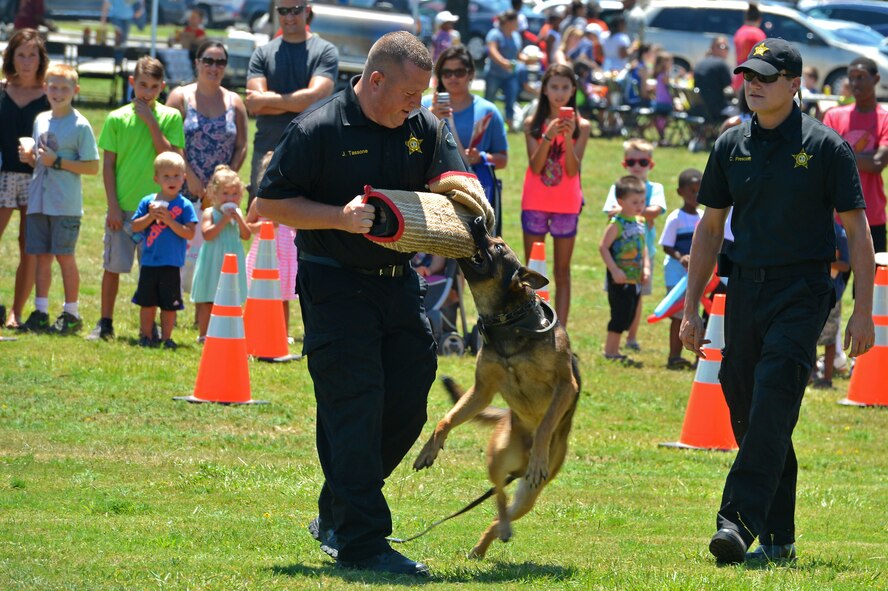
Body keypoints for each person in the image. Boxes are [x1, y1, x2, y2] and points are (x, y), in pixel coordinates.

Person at [255, 31, 468, 576]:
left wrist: (464, 204)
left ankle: (338, 509)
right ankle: (362, 541)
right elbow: (268, 203)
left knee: (409, 396)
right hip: (334, 284)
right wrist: (338, 217)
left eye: (421, 95)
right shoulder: (318, 127)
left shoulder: (422, 126)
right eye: (409, 94)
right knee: (356, 402)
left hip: (397, 281)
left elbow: (456, 180)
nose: (415, 105)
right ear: (375, 81)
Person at [679, 38, 875, 566]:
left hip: (803, 291)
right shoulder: (729, 145)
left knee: (772, 398)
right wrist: (692, 306)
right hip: (743, 288)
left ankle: (736, 523)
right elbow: (711, 227)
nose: (753, 84)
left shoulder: (826, 146)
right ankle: (780, 535)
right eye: (749, 75)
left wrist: (861, 308)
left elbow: (858, 232)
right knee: (747, 401)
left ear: (795, 85)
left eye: (766, 76)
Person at [90, 57, 185, 341]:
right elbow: (108, 165)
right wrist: (113, 207)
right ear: (132, 83)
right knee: (113, 266)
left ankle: (151, 326)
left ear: (162, 87)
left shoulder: (170, 117)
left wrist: (151, 123)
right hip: (124, 206)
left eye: (154, 87)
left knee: (154, 269)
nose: (147, 92)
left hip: (159, 210)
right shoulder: (116, 118)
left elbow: (173, 159)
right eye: (142, 85)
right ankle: (105, 322)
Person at [16, 64, 99, 335]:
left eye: (65, 88)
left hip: (65, 204)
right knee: (41, 257)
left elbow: (91, 166)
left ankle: (71, 313)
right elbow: (42, 161)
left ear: (75, 90)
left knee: (64, 257)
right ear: (45, 89)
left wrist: (59, 161)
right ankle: (40, 311)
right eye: (53, 87)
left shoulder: (80, 125)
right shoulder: (41, 119)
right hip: (39, 200)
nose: (58, 92)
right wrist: (31, 158)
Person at [166, 41, 249, 297]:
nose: (214, 67)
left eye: (220, 62)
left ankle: (204, 304)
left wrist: (224, 183)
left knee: (213, 249)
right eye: (208, 61)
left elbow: (242, 145)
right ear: (197, 63)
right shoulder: (180, 97)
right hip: (184, 185)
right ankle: (173, 302)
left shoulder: (235, 101)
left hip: (219, 194)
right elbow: (171, 141)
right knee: (180, 248)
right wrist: (189, 176)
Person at [245, 0, 338, 205]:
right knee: (262, 222)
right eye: (283, 11)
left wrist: (268, 99)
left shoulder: (325, 51)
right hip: (267, 149)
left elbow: (317, 99)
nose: (289, 17)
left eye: (295, 10)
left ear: (307, 11)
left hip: (310, 150)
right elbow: (254, 105)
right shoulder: (262, 53)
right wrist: (300, 102)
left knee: (304, 222)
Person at [521, 64, 591, 327]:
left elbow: (573, 169)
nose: (559, 93)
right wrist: (548, 136)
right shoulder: (532, 124)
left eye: (565, 87)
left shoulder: (583, 126)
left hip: (566, 204)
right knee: (533, 270)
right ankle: (532, 321)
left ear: (573, 89)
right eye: (554, 87)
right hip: (535, 202)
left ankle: (559, 327)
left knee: (562, 271)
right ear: (545, 90)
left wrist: (569, 136)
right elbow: (536, 166)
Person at [423, 46, 508, 220]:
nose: (453, 77)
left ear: (470, 74)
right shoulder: (424, 106)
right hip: (433, 190)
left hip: (475, 190)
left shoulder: (488, 111)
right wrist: (430, 116)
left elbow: (503, 159)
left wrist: (482, 157)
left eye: (459, 72)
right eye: (447, 72)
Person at [1, 29, 49, 329]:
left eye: (33, 54)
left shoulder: (51, 94)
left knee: (27, 245)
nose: (27, 61)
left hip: (37, 179)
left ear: (41, 58)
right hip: (3, 176)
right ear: (11, 58)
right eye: (21, 54)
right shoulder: (2, 90)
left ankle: (15, 312)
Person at [603, 138, 666, 350]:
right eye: (632, 162)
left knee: (637, 298)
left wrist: (630, 209)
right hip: (620, 258)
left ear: (651, 164)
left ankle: (632, 337)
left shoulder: (655, 187)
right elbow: (611, 212)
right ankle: (614, 342)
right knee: (620, 300)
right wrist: (640, 210)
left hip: (644, 253)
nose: (637, 166)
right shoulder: (618, 187)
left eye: (643, 162)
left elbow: (655, 211)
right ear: (624, 164)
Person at [130, 152, 197, 348]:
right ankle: (147, 335)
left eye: (177, 175)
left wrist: (169, 220)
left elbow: (189, 233)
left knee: (170, 304)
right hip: (150, 261)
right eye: (166, 176)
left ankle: (167, 337)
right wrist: (150, 216)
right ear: (156, 179)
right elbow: (135, 226)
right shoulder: (147, 202)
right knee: (147, 302)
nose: (172, 180)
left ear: (184, 178)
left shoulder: (184, 205)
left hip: (172, 262)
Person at [822, 57, 888, 256]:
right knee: (833, 282)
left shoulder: (884, 119)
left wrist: (840, 154)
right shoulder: (834, 116)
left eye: (861, 77)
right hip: (836, 216)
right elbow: (824, 160)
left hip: (873, 215)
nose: (855, 83)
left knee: (876, 283)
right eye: (851, 78)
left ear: (876, 79)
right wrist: (864, 157)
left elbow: (877, 163)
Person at [191, 165, 249, 342]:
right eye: (225, 194)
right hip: (213, 260)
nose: (230, 198)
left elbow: (246, 235)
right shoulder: (210, 212)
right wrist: (224, 220)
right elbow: (207, 234)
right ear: (214, 194)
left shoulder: (237, 214)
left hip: (232, 260)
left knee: (232, 298)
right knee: (208, 299)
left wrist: (239, 219)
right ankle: (204, 334)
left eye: (234, 194)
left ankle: (229, 332)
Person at [245, 152, 299, 341]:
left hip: (285, 256)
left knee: (282, 298)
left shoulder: (292, 202)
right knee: (260, 296)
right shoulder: (259, 202)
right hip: (264, 257)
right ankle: (257, 331)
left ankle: (282, 334)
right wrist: (265, 226)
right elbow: (248, 226)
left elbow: (299, 223)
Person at [600, 175, 649, 361]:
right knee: (619, 315)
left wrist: (646, 268)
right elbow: (603, 246)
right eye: (635, 202)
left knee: (629, 313)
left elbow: (642, 246)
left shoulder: (640, 221)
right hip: (619, 278)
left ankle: (615, 350)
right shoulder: (617, 224)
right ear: (620, 201)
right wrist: (614, 270)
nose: (640, 205)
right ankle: (610, 351)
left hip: (634, 277)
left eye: (642, 201)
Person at [658, 168, 701, 369]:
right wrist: (680, 257)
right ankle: (674, 356)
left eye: (700, 191)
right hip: (676, 275)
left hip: (697, 277)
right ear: (680, 192)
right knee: (678, 315)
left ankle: (698, 357)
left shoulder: (703, 217)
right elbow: (666, 245)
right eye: (691, 191)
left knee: (696, 314)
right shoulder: (676, 218)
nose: (696, 195)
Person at [811, 218, 850, 389]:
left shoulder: (840, 234)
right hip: (811, 291)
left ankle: (827, 378)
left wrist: (826, 262)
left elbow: (846, 265)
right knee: (809, 334)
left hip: (832, 294)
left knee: (830, 338)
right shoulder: (810, 229)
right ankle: (810, 374)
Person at [483, 10, 523, 132]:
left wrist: (528, 59)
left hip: (510, 74)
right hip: (494, 74)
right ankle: (485, 124)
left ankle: (510, 126)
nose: (518, 23)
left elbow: (518, 54)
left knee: (511, 99)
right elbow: (492, 51)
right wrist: (504, 63)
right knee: (489, 100)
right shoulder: (494, 34)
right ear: (509, 22)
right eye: (516, 21)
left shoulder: (516, 35)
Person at [692, 37, 733, 125]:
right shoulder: (721, 65)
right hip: (718, 111)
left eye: (727, 47)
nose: (725, 50)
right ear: (712, 48)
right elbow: (730, 87)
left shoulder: (699, 64)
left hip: (700, 109)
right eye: (721, 46)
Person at [731, 2, 765, 92]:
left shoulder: (739, 32)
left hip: (739, 78)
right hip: (751, 80)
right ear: (759, 19)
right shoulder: (757, 34)